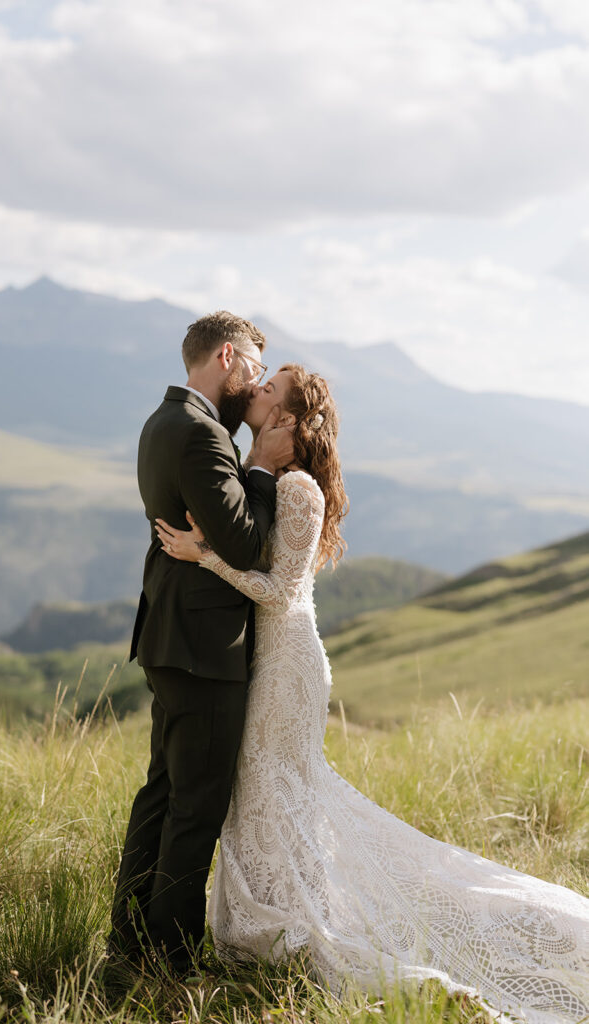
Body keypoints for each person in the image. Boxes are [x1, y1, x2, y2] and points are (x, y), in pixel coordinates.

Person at [155, 363, 589, 1024]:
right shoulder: (272, 473)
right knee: (266, 794)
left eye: (267, 390)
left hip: (287, 664)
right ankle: (285, 920)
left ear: (290, 421)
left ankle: (312, 930)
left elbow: (279, 593)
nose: (254, 392)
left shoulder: (300, 490)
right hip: (267, 661)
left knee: (277, 791)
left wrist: (204, 556)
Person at [109, 312, 294, 977]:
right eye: (251, 365)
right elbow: (244, 542)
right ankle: (173, 960)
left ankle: (129, 944)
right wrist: (263, 467)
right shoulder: (199, 435)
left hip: (171, 634)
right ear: (225, 356)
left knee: (164, 793)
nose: (254, 381)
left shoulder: (164, 422)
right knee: (196, 804)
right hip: (203, 644)